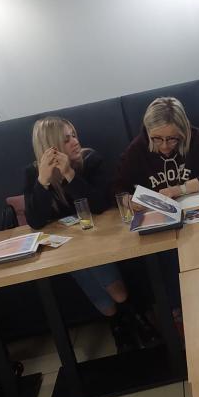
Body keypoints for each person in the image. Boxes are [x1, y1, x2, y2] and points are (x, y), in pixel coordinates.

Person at [24, 116, 157, 351]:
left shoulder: (90, 160)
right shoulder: (34, 174)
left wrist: (70, 174)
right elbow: (35, 221)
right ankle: (123, 322)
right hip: (67, 247)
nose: (75, 142)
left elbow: (99, 205)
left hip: (99, 238)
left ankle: (129, 321)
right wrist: (43, 181)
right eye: (66, 140)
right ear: (50, 148)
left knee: (112, 287)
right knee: (102, 293)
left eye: (74, 135)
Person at [113, 97, 199, 199]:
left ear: (183, 132)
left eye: (172, 139)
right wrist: (127, 201)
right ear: (148, 132)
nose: (164, 146)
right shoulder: (137, 149)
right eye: (157, 138)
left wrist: (180, 190)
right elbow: (117, 188)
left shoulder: (198, 139)